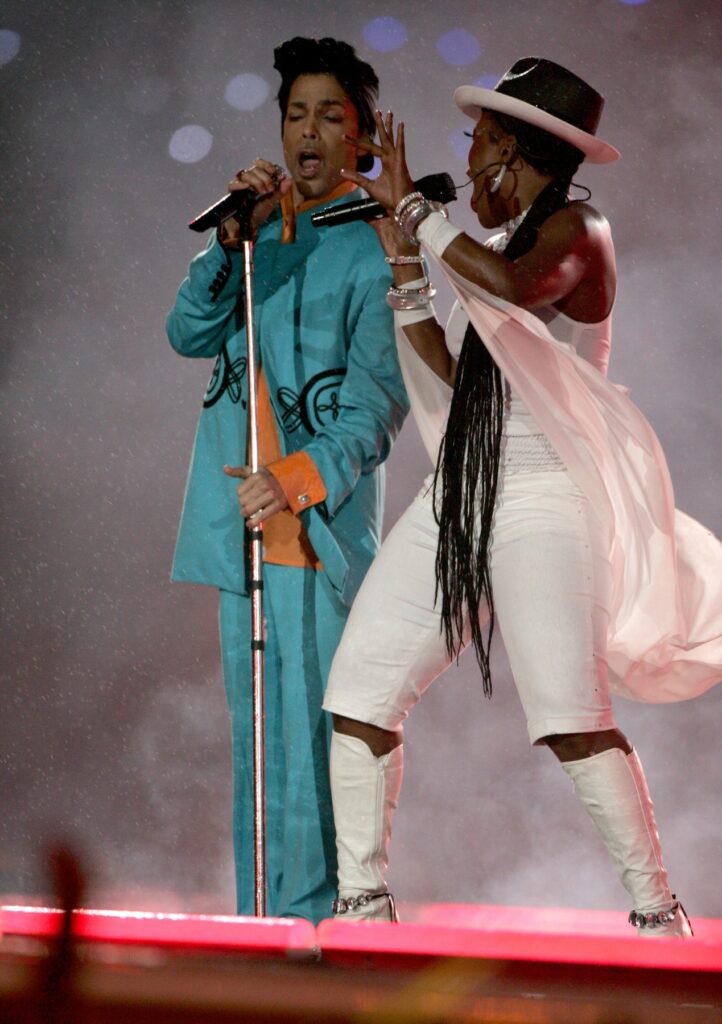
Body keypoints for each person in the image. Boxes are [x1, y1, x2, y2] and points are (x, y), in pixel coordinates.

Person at [322, 57, 722, 933]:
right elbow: (458, 375)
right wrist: (406, 268)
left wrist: (418, 215)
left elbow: (516, 289)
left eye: (477, 149)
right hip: (465, 489)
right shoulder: (492, 247)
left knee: (569, 718)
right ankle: (362, 905)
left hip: (545, 492)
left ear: (511, 151)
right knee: (358, 696)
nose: (466, 170)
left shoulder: (580, 230)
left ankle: (659, 916)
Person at [166, 36, 408, 923]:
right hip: (240, 535)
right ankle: (258, 930)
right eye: (295, 113)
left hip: (315, 534)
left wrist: (298, 478)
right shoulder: (254, 235)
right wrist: (229, 242)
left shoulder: (372, 247)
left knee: (311, 749)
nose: (308, 130)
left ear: (361, 136)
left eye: (328, 115)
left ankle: (316, 936)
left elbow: (380, 405)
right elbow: (187, 333)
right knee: (257, 752)